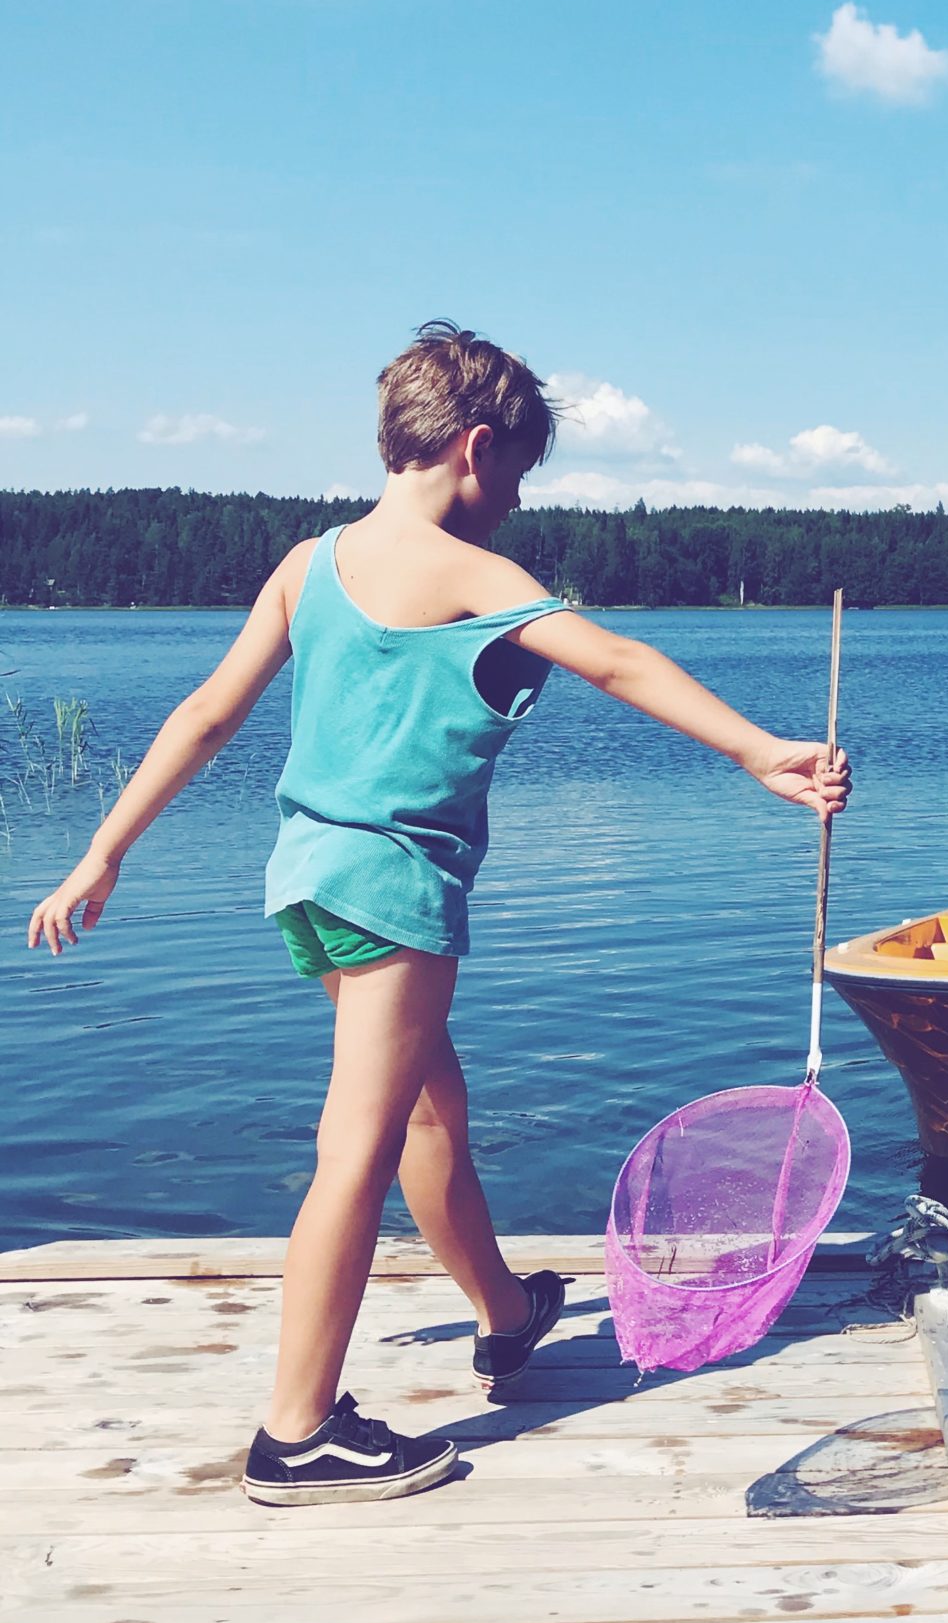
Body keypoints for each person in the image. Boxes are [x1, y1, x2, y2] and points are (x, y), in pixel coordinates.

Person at [25, 321, 851, 1506]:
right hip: (393, 889)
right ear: (472, 446)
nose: (514, 499)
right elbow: (615, 661)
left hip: (307, 879)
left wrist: (101, 853)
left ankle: (506, 1314)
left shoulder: (309, 563)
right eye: (515, 470)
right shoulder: (473, 575)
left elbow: (206, 713)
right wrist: (757, 749)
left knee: (428, 1112)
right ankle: (297, 1430)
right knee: (358, 1146)